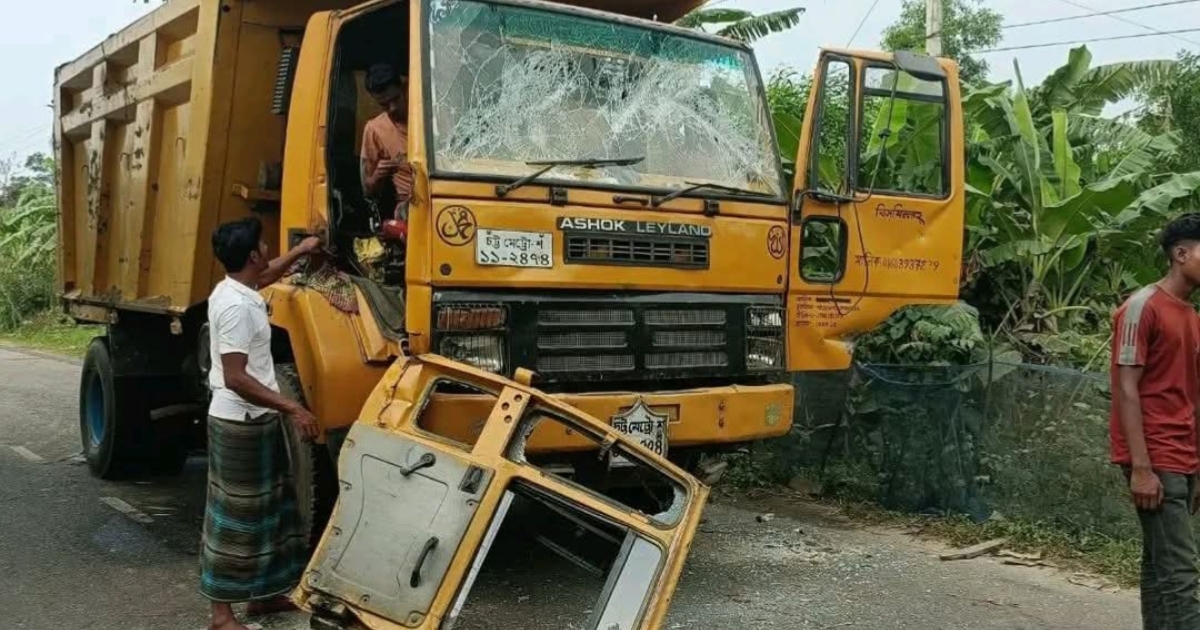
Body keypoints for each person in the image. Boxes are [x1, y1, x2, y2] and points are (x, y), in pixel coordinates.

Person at [201, 216, 322, 630]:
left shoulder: (239, 287)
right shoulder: (236, 307)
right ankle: (221, 615)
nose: (269, 249)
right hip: (239, 423)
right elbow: (236, 377)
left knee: (273, 509)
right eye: (265, 245)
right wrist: (294, 408)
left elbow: (268, 274)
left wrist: (301, 250)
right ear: (253, 255)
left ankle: (264, 596)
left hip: (258, 418)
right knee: (233, 519)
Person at [1110, 212, 1200, 629]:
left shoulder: (1191, 316)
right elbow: (1126, 388)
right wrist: (1141, 468)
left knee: (1159, 565)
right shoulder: (1141, 307)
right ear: (1181, 254)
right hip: (1155, 454)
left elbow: (1191, 395)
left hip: (1182, 456)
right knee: (1181, 574)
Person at [361, 63, 414, 223]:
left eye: (396, 99)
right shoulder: (374, 129)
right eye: (384, 105)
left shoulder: (431, 116)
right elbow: (368, 191)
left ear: (404, 88)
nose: (392, 108)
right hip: (408, 209)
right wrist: (378, 174)